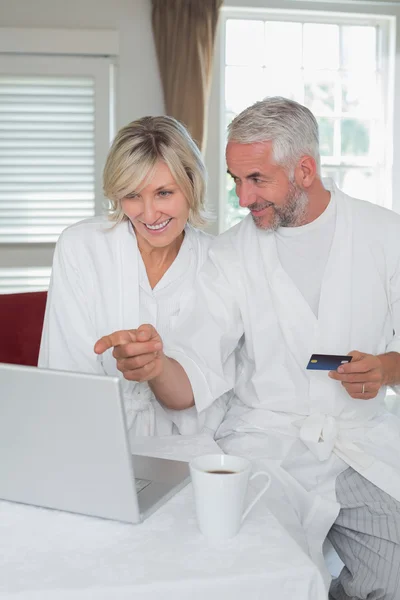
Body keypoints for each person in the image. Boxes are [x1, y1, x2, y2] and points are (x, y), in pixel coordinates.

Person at [95, 97, 400, 599]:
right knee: (258, 577)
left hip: (359, 446)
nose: (242, 197)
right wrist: (154, 365)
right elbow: (190, 377)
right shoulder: (231, 254)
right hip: (266, 448)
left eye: (256, 180)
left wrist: (387, 368)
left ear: (304, 169)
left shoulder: (385, 235)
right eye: (235, 180)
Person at [39, 115, 227, 441]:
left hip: (191, 445)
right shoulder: (81, 247)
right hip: (92, 439)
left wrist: (157, 365)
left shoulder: (219, 262)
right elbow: (67, 378)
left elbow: (201, 390)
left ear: (192, 184)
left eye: (164, 193)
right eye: (132, 195)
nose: (149, 214)